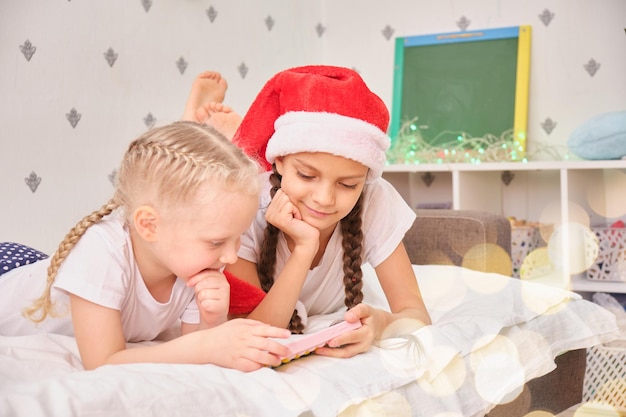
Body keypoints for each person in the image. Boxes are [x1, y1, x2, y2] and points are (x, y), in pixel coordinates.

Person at [0, 121, 291, 371]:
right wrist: (205, 345)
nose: (231, 255)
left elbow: (193, 349)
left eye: (237, 237)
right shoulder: (103, 252)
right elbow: (102, 361)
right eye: (216, 242)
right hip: (10, 271)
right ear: (150, 225)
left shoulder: (192, 266)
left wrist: (211, 320)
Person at [186, 65, 432, 359]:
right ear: (279, 161)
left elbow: (417, 315)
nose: (324, 199)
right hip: (231, 189)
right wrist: (304, 249)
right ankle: (202, 134)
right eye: (306, 175)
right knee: (195, 194)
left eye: (347, 184)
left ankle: (231, 143)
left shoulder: (374, 200)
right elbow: (254, 331)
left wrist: (382, 324)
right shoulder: (247, 204)